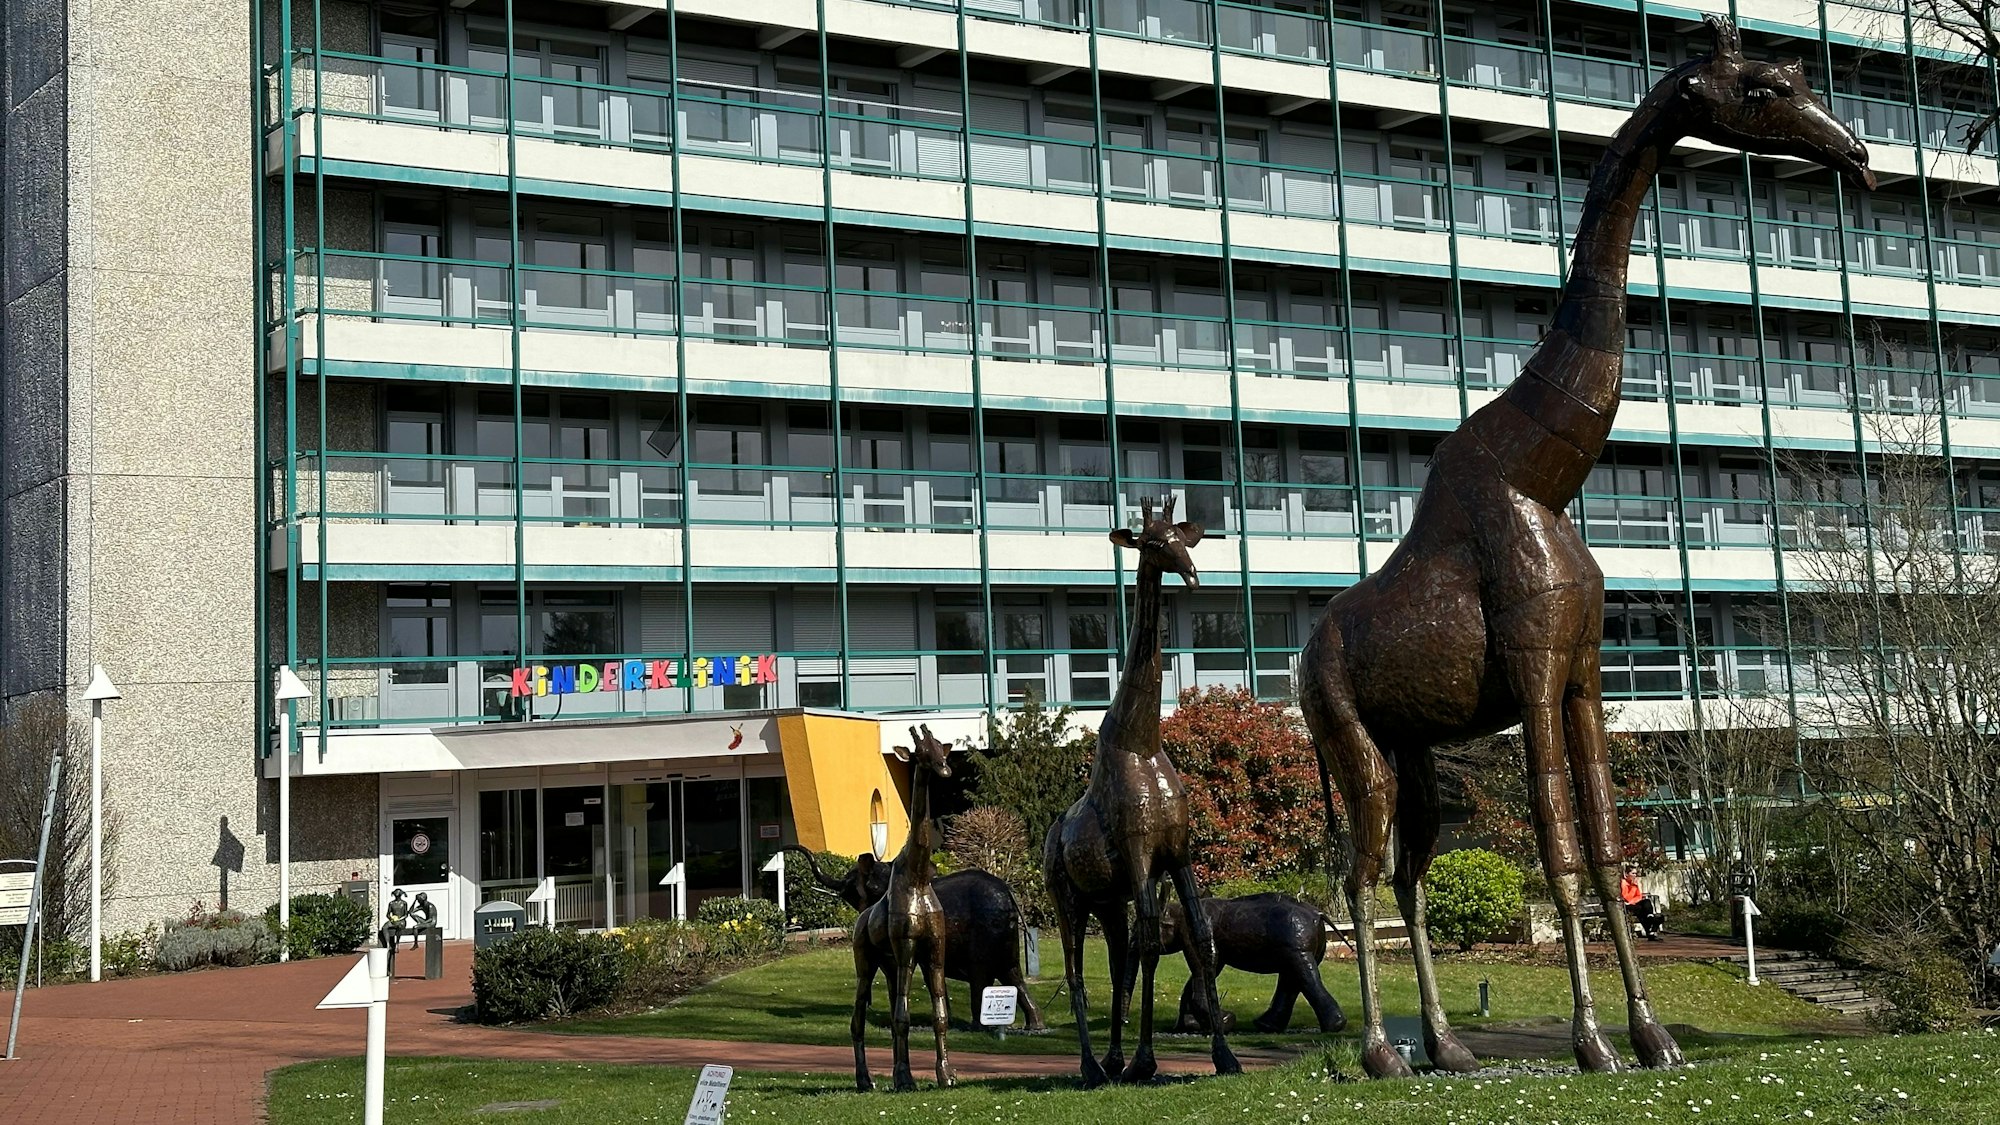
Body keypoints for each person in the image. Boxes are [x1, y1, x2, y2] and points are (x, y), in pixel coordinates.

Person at [1620, 869, 1665, 940]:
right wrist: (1633, 887)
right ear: (1626, 874)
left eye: (1635, 873)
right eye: (1633, 873)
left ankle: (1650, 917)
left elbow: (1639, 896)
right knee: (1640, 910)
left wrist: (1634, 900)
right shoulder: (1623, 883)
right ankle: (1651, 931)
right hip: (1626, 906)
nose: (1635, 875)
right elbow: (1626, 897)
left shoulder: (1634, 883)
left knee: (1646, 901)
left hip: (1634, 903)